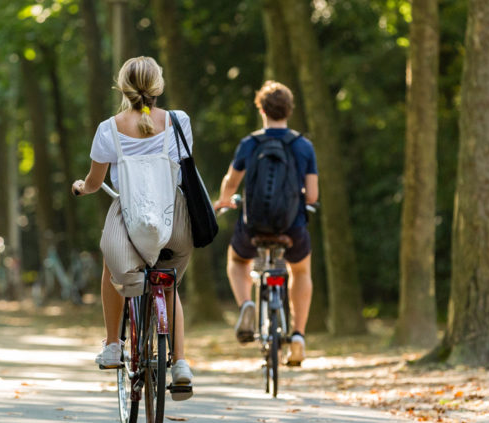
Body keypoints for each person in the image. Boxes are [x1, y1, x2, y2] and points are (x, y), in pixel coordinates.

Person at [71, 56, 195, 400]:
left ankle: (113, 345)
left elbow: (95, 183)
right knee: (168, 282)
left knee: (112, 260)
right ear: (159, 86)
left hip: (131, 219)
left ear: (122, 87)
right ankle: (181, 362)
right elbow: (181, 171)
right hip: (174, 224)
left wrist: (82, 186)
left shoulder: (108, 129)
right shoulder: (179, 122)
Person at [212, 81, 319, 366]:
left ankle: (246, 304)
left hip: (254, 226)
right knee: (301, 269)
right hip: (292, 227)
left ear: (261, 109)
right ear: (289, 110)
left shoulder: (250, 143)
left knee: (237, 261)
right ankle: (298, 335)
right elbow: (313, 194)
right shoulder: (303, 146)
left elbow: (231, 182)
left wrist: (224, 201)